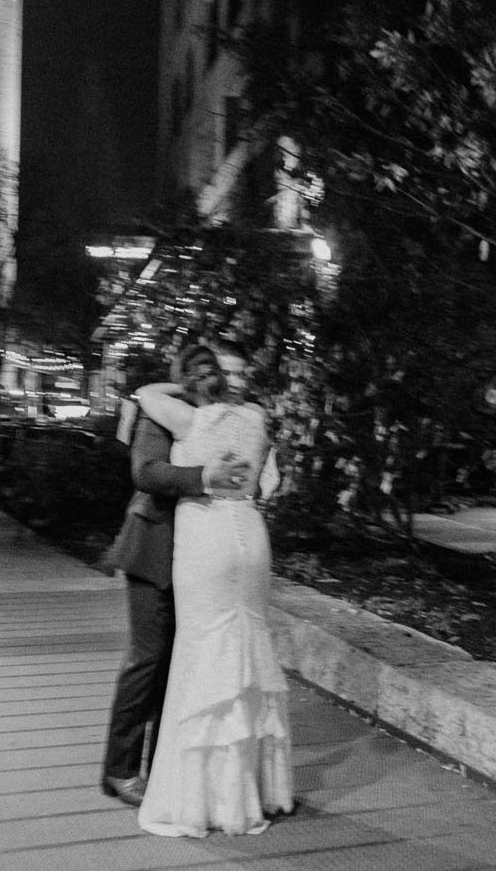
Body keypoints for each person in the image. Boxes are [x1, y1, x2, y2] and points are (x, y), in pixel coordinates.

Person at [133, 340, 294, 837]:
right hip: (250, 536)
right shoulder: (257, 419)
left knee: (203, 654)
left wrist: (180, 386)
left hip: (206, 538)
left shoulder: (190, 420)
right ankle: (252, 791)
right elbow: (270, 485)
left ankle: (205, 797)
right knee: (247, 652)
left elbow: (144, 394)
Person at [100, 346, 254, 808]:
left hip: (201, 557)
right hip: (154, 549)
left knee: (178, 665)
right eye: (215, 370)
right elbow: (146, 473)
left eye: (231, 371)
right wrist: (206, 475)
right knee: (147, 661)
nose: (224, 378)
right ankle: (119, 769)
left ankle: (160, 765)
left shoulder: (228, 416)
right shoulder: (162, 413)